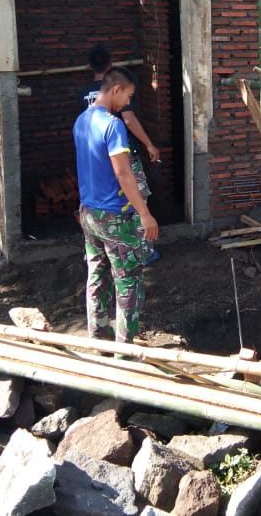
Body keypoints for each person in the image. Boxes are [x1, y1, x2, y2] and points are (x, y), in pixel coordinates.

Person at [74, 67, 159, 343]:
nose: (127, 102)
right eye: (128, 96)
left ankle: (98, 335)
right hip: (115, 217)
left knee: (97, 274)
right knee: (128, 280)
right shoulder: (113, 125)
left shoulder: (81, 120)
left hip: (88, 213)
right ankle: (126, 351)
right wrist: (144, 213)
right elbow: (123, 173)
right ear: (116, 89)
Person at [80, 42, 161, 264]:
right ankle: (142, 251)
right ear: (111, 64)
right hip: (122, 155)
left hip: (97, 161)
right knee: (137, 198)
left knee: (109, 204)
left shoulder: (84, 94)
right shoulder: (117, 90)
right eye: (128, 96)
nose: (127, 99)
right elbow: (129, 119)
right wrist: (149, 144)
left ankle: (104, 250)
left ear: (89, 66)